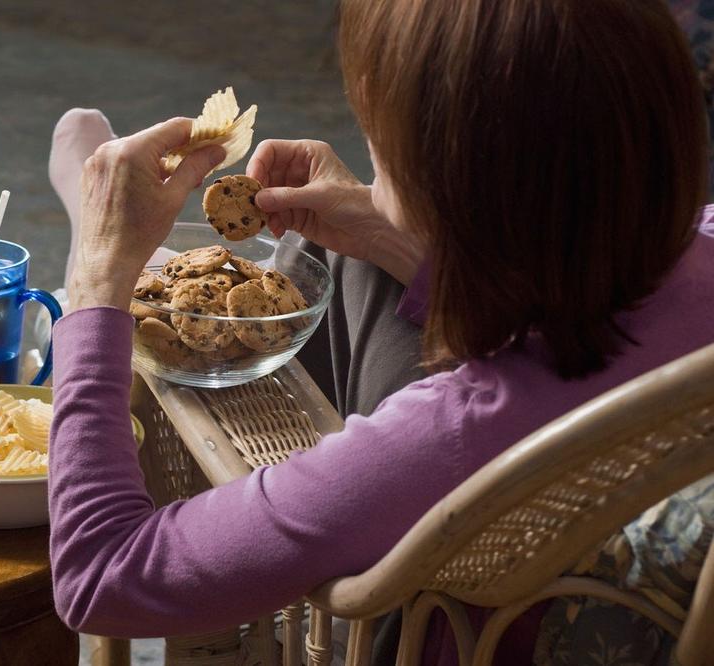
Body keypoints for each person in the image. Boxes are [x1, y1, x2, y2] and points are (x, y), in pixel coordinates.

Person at [45, 1, 714, 663]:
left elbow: (103, 578)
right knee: (345, 260)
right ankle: (166, 273)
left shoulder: (450, 436)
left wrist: (97, 277)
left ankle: (137, 265)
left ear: (443, 182)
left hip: (415, 630)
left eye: (378, 129)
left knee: (289, 278)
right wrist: (394, 234)